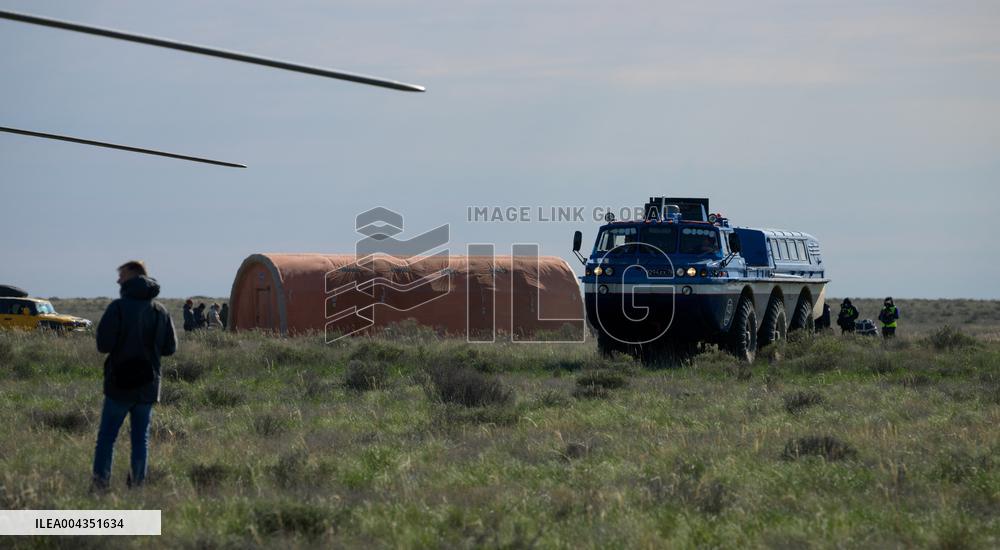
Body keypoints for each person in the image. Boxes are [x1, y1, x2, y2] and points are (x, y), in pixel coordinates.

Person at [93, 260, 177, 490]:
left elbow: (103, 345)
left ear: (132, 276)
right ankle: (137, 485)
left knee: (107, 439)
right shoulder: (161, 311)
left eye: (121, 275)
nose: (118, 280)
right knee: (141, 440)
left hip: (119, 384)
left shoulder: (118, 308)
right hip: (148, 386)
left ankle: (101, 485)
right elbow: (170, 348)